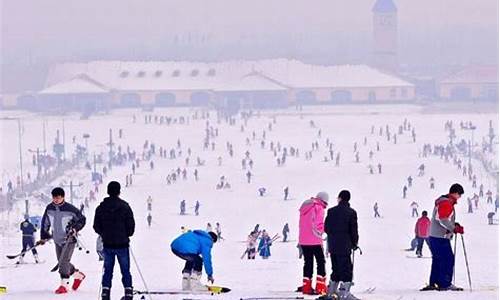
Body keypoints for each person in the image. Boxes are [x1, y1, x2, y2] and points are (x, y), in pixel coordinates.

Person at [93, 181, 135, 300]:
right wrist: (125, 235)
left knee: (107, 270)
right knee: (125, 270)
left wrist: (104, 234)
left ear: (108, 191)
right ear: (119, 191)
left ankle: (105, 293)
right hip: (122, 244)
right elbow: (131, 227)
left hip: (108, 245)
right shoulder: (125, 207)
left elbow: (96, 226)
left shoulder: (101, 208)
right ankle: (128, 292)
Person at [40, 187, 86, 294]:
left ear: (63, 197)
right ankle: (78, 276)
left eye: (58, 197)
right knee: (61, 262)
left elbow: (82, 220)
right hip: (57, 239)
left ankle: (63, 285)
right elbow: (45, 223)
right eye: (54, 197)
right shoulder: (49, 208)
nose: (55, 200)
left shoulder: (70, 209)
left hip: (69, 240)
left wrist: (75, 228)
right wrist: (43, 237)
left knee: (63, 262)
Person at [421, 183, 464, 291]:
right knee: (447, 259)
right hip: (440, 237)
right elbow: (442, 219)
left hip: (435, 235)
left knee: (438, 259)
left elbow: (443, 218)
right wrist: (454, 228)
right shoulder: (446, 203)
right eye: (460, 195)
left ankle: (435, 282)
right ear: (455, 193)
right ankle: (444, 284)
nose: (460, 197)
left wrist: (454, 225)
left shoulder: (444, 201)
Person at [324, 190, 359, 300]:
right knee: (346, 269)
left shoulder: (331, 211)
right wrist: (354, 243)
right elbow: (354, 231)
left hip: (333, 245)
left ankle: (331, 292)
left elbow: (326, 228)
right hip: (345, 246)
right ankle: (344, 293)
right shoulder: (351, 212)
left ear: (339, 198)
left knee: (335, 268)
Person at [298, 192, 328, 295]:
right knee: (320, 262)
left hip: (303, 240)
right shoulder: (318, 207)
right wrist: (323, 231)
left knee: (308, 262)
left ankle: (306, 287)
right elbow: (318, 224)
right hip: (314, 239)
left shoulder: (305, 206)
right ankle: (321, 287)